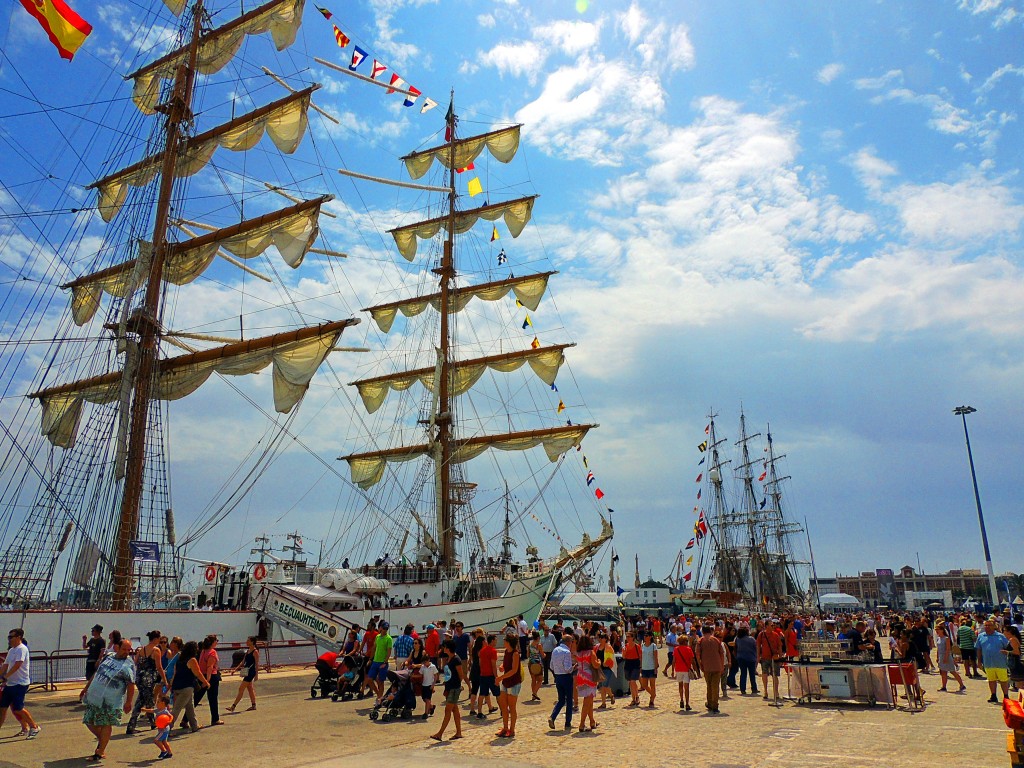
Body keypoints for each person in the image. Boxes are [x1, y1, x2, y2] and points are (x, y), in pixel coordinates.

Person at [81, 639, 136, 762]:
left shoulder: (128, 665)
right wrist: (86, 688)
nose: (126, 652)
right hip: (95, 697)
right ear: (117, 647)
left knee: (106, 724)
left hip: (111, 701)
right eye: (124, 649)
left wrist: (128, 702)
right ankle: (103, 741)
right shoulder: (109, 656)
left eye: (129, 650)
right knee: (89, 721)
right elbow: (96, 672)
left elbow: (131, 685)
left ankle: (100, 752)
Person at [0, 627, 40, 738]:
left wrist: (5, 677)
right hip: (10, 684)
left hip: (20, 684)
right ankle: (25, 728)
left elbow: (18, 665)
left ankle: (34, 726)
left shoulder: (22, 649)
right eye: (8, 637)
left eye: (11, 637)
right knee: (2, 708)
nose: (9, 639)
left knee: (18, 708)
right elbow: (5, 665)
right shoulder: (12, 650)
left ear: (18, 637)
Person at [127, 630, 165, 734]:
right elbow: (159, 667)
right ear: (156, 639)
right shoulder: (156, 650)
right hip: (148, 679)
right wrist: (164, 679)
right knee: (144, 702)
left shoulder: (141, 650)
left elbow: (135, 663)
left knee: (144, 700)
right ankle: (133, 725)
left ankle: (152, 723)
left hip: (140, 678)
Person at [169, 640, 208, 731]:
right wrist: (206, 682)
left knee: (190, 707)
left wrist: (171, 685)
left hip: (177, 686)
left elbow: (175, 673)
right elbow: (198, 673)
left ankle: (194, 726)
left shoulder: (179, 659)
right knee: (176, 710)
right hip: (186, 687)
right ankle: (166, 729)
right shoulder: (192, 660)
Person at [430, 640, 463, 741]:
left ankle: (440, 733)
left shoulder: (456, 659)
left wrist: (456, 686)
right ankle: (458, 732)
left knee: (448, 710)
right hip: (450, 687)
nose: (443, 649)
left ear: (448, 648)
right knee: (455, 710)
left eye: (444, 647)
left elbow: (460, 675)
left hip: (454, 688)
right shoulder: (450, 658)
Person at [976, 618, 1011, 703]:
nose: (987, 627)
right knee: (991, 680)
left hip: (1001, 663)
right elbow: (979, 649)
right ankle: (993, 695)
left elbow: (1008, 647)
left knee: (1003, 680)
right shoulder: (981, 636)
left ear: (994, 626)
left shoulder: (1000, 636)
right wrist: (979, 661)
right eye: (986, 625)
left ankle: (1006, 696)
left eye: (989, 625)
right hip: (988, 663)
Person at [495, 634, 522, 738]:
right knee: (503, 706)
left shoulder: (515, 654)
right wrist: (502, 667)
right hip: (506, 681)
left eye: (505, 640)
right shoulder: (507, 652)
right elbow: (506, 665)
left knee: (512, 707)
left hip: (513, 682)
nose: (504, 641)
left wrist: (501, 678)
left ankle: (512, 729)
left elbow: (514, 670)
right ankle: (505, 727)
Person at [194, 634, 224, 726]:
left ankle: (185, 719)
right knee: (213, 698)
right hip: (211, 677)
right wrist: (207, 681)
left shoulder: (203, 651)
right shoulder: (212, 652)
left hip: (202, 675)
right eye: (216, 641)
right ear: (213, 642)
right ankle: (215, 719)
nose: (217, 642)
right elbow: (210, 667)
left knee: (196, 698)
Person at [548, 631, 575, 730]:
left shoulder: (555, 650)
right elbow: (568, 668)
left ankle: (553, 716)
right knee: (569, 700)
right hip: (566, 677)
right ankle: (567, 722)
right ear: (568, 642)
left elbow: (551, 665)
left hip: (558, 677)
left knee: (561, 700)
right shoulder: (566, 652)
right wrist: (574, 667)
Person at [695, 625, 725, 713]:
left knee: (709, 685)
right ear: (711, 631)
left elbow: (697, 654)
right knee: (715, 686)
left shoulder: (700, 641)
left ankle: (710, 703)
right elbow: (722, 653)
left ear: (703, 632)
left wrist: (700, 665)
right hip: (717, 666)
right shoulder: (716, 640)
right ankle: (715, 704)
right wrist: (722, 665)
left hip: (706, 666)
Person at [573, 634, 599, 733]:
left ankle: (592, 721)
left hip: (580, 676)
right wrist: (599, 662)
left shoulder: (578, 653)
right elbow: (595, 665)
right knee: (587, 701)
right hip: (589, 677)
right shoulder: (591, 653)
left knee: (589, 701)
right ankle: (582, 723)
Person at [227, 635, 259, 712]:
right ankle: (253, 705)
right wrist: (235, 669)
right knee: (250, 689)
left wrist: (256, 675)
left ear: (252, 642)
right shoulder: (248, 651)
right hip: (247, 671)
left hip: (251, 672)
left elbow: (257, 664)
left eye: (248, 641)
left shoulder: (255, 652)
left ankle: (233, 706)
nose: (246, 642)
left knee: (241, 688)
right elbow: (243, 662)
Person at [757, 620, 784, 702]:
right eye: (771, 625)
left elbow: (779, 646)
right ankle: (765, 691)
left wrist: (780, 657)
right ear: (766, 626)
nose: (773, 626)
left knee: (775, 675)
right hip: (765, 657)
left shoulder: (776, 635)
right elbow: (758, 645)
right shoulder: (762, 635)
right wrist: (758, 656)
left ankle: (776, 692)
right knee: (764, 674)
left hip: (774, 657)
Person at [934, 622, 966, 693]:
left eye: (938, 629)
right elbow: (938, 649)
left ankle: (961, 685)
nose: (937, 631)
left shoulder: (946, 638)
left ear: (942, 630)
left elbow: (948, 649)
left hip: (947, 656)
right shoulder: (938, 638)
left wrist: (945, 657)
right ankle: (944, 686)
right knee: (943, 672)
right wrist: (937, 657)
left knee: (952, 671)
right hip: (941, 656)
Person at [368, 621, 393, 704]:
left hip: (382, 662)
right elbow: (374, 648)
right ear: (381, 628)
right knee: (370, 679)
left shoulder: (389, 638)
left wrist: (385, 662)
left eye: (386, 629)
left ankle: (379, 699)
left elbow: (389, 652)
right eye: (384, 628)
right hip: (375, 660)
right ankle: (379, 695)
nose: (385, 630)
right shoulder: (377, 637)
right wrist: (370, 659)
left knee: (380, 681)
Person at [673, 634, 697, 710]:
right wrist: (696, 670)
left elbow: (674, 660)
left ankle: (681, 700)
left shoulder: (676, 649)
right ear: (684, 641)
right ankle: (687, 703)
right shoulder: (688, 649)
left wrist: (672, 670)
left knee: (680, 686)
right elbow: (693, 661)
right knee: (686, 688)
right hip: (686, 669)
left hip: (678, 669)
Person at [81, 624, 106, 698]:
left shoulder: (101, 640)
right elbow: (85, 646)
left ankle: (91, 693)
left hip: (95, 661)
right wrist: (84, 640)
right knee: (89, 677)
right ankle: (90, 693)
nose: (92, 632)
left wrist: (99, 660)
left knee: (94, 678)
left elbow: (102, 651)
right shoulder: (92, 640)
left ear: (97, 631)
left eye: (93, 630)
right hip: (89, 660)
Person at [734, 626, 759, 696]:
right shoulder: (751, 639)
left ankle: (742, 689)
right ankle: (754, 688)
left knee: (743, 674)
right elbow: (756, 647)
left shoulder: (737, 639)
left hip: (741, 658)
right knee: (752, 674)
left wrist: (736, 656)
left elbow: (735, 648)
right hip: (751, 658)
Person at [621, 630, 642, 706]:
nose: (627, 638)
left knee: (633, 681)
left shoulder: (637, 646)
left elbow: (640, 657)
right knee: (630, 682)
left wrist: (641, 666)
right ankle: (634, 698)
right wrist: (624, 652)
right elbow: (623, 657)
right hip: (628, 663)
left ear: (633, 638)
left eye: (629, 636)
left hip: (635, 663)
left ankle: (636, 697)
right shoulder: (625, 646)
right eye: (627, 637)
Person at [150, 693, 173, 760]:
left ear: (163, 703)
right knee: (164, 742)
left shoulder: (165, 711)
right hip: (162, 729)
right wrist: (144, 710)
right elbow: (152, 711)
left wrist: (169, 721)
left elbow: (171, 716)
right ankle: (169, 753)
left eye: (158, 702)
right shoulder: (158, 710)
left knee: (156, 740)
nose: (156, 703)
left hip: (164, 729)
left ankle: (164, 751)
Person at [596, 633, 616, 709]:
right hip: (599, 669)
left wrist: (606, 663)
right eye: (600, 637)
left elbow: (612, 658)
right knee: (602, 686)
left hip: (607, 669)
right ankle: (609, 697)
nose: (600, 639)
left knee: (604, 686)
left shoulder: (609, 647)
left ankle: (605, 701)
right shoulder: (597, 647)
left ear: (605, 639)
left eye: (602, 637)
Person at [639, 631, 658, 707]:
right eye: (644, 636)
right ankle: (653, 694)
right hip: (644, 667)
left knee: (652, 684)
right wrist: (640, 666)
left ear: (650, 637)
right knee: (644, 685)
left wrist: (656, 667)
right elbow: (641, 657)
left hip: (651, 667)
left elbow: (655, 657)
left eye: (647, 636)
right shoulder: (642, 645)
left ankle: (652, 700)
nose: (645, 637)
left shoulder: (653, 646)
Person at [527, 630, 544, 701]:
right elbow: (543, 655)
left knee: (533, 679)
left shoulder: (530, 645)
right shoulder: (538, 645)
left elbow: (527, 655)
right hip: (537, 663)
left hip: (531, 663)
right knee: (540, 680)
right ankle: (534, 692)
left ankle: (534, 695)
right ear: (538, 638)